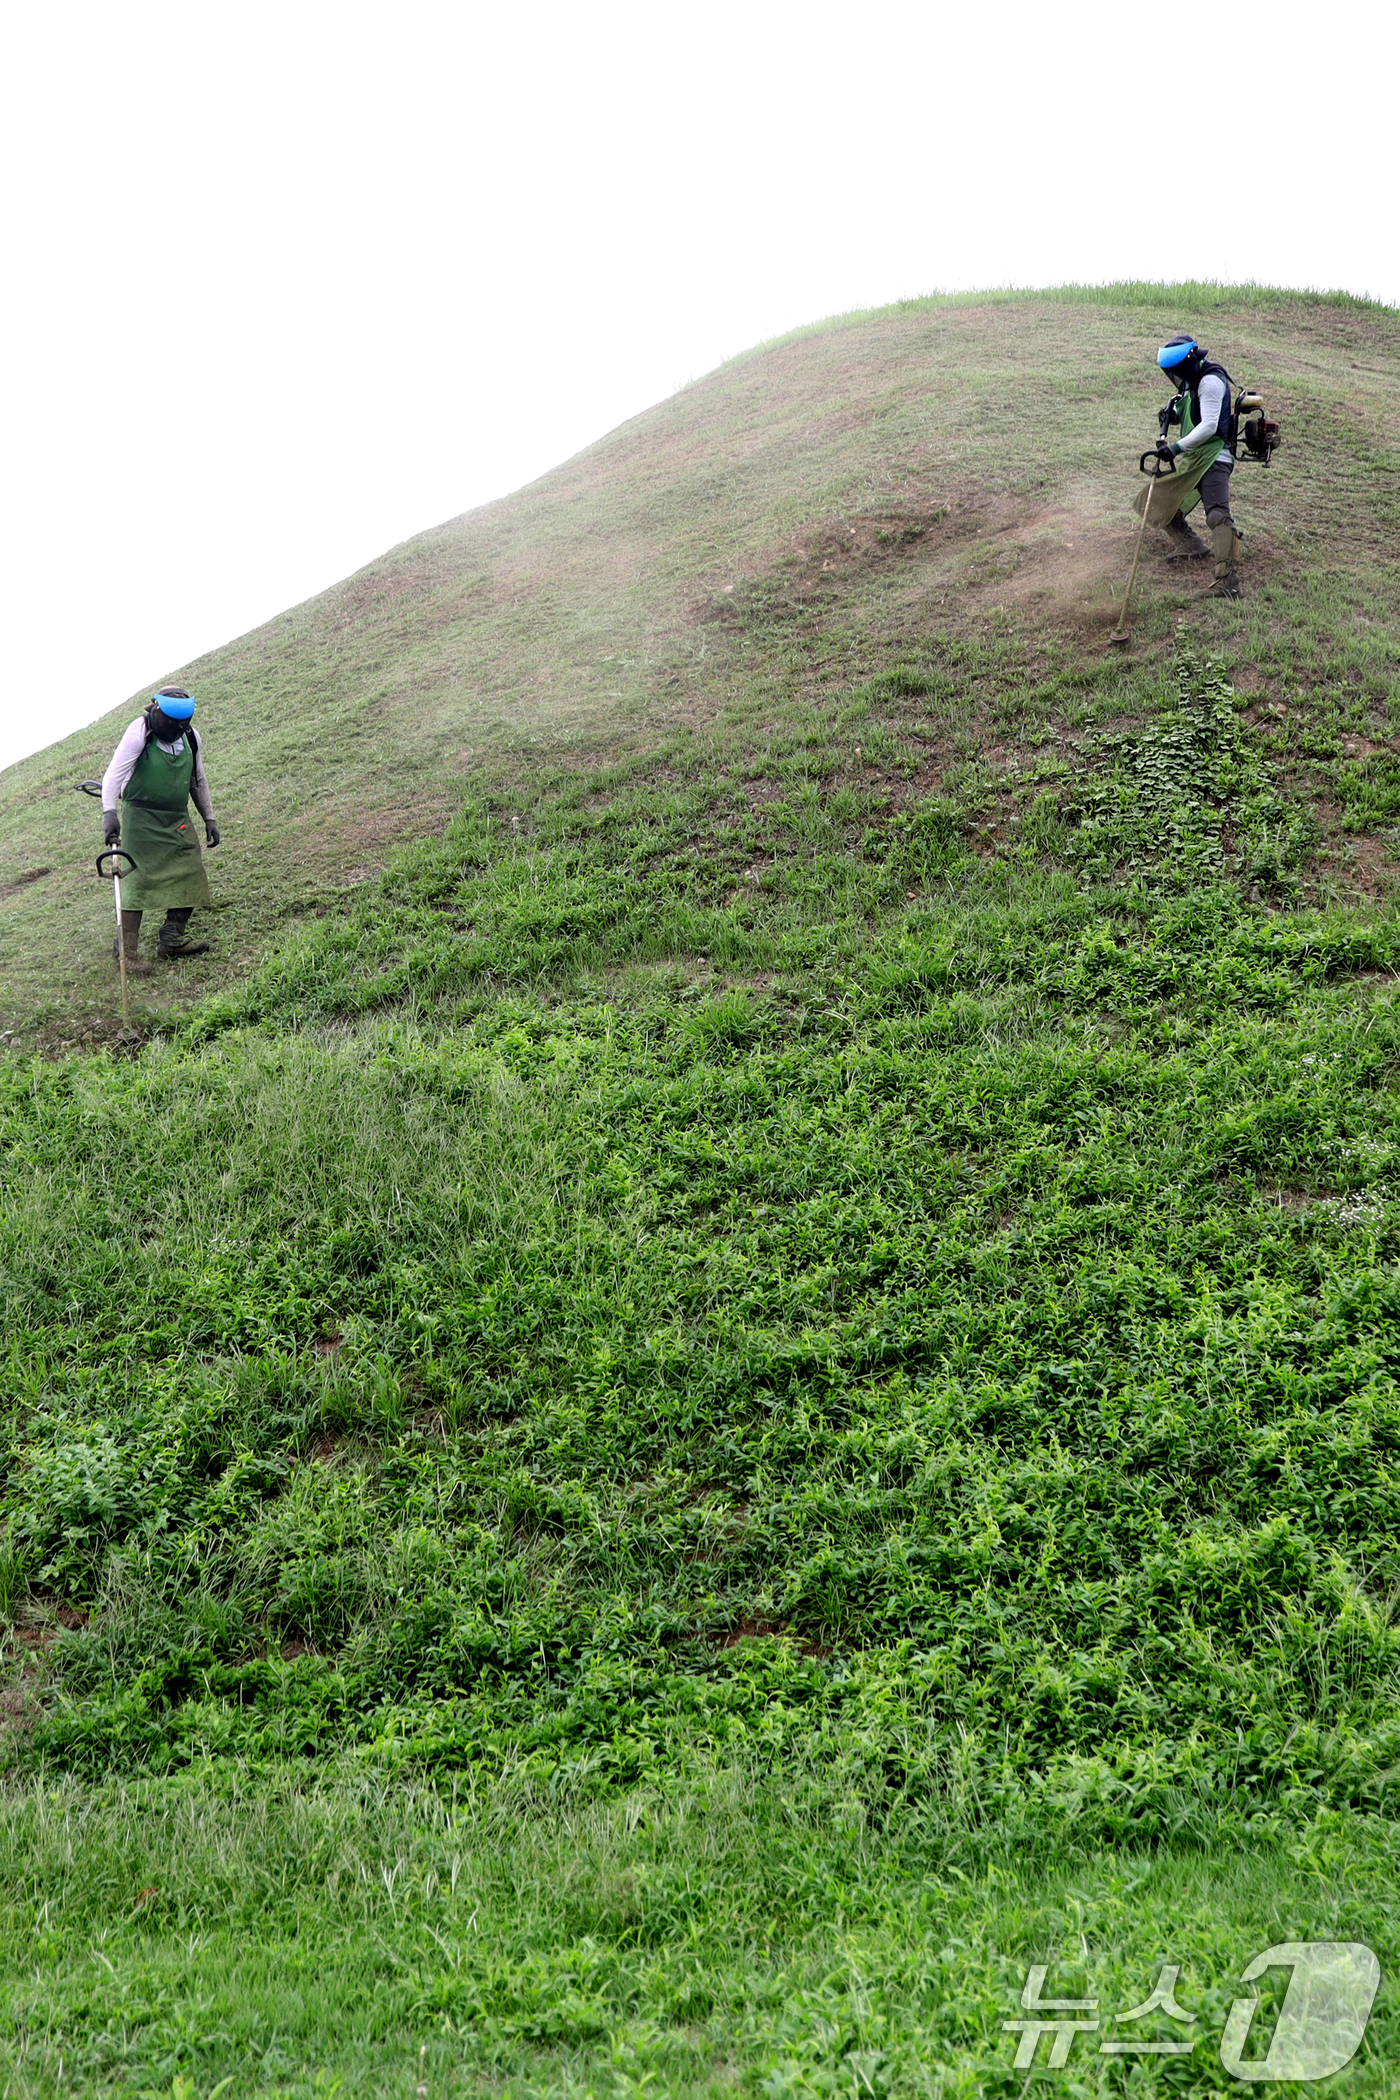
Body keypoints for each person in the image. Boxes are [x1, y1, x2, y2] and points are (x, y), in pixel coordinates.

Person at [100, 685, 220, 974]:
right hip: (140, 817)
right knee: (135, 879)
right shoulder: (139, 732)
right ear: (156, 710)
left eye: (184, 721)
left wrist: (209, 817)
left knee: (190, 869)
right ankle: (126, 953)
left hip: (176, 818)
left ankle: (172, 937)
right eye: (171, 720)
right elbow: (113, 776)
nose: (178, 727)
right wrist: (110, 814)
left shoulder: (191, 738)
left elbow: (197, 781)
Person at [1150, 334, 1242, 598]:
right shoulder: (1191, 383)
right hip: (1194, 459)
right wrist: (1173, 415)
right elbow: (1193, 413)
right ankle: (1191, 544)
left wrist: (1175, 447)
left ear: (1187, 364)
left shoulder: (1211, 381)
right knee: (1160, 503)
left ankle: (1228, 582)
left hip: (1214, 457)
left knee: (1217, 515)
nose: (1175, 378)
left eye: (1176, 372)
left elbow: (1209, 425)